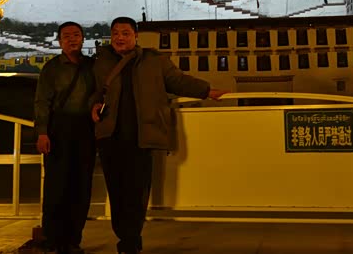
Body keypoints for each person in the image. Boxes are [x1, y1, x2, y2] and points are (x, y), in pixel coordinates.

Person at [90, 16, 228, 254]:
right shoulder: (101, 62)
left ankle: (130, 240)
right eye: (115, 33)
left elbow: (177, 81)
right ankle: (125, 237)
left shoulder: (154, 60)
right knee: (117, 191)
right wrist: (93, 104)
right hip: (110, 137)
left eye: (125, 33)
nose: (119, 38)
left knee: (138, 192)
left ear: (136, 36)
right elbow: (93, 91)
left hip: (143, 137)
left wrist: (206, 90)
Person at [34, 21, 96, 254]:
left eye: (76, 35)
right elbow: (42, 101)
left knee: (81, 186)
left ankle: (73, 240)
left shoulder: (92, 66)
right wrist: (42, 132)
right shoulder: (52, 68)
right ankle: (53, 239)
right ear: (59, 41)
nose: (72, 39)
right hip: (58, 130)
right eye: (67, 36)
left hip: (85, 130)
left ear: (83, 39)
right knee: (56, 186)